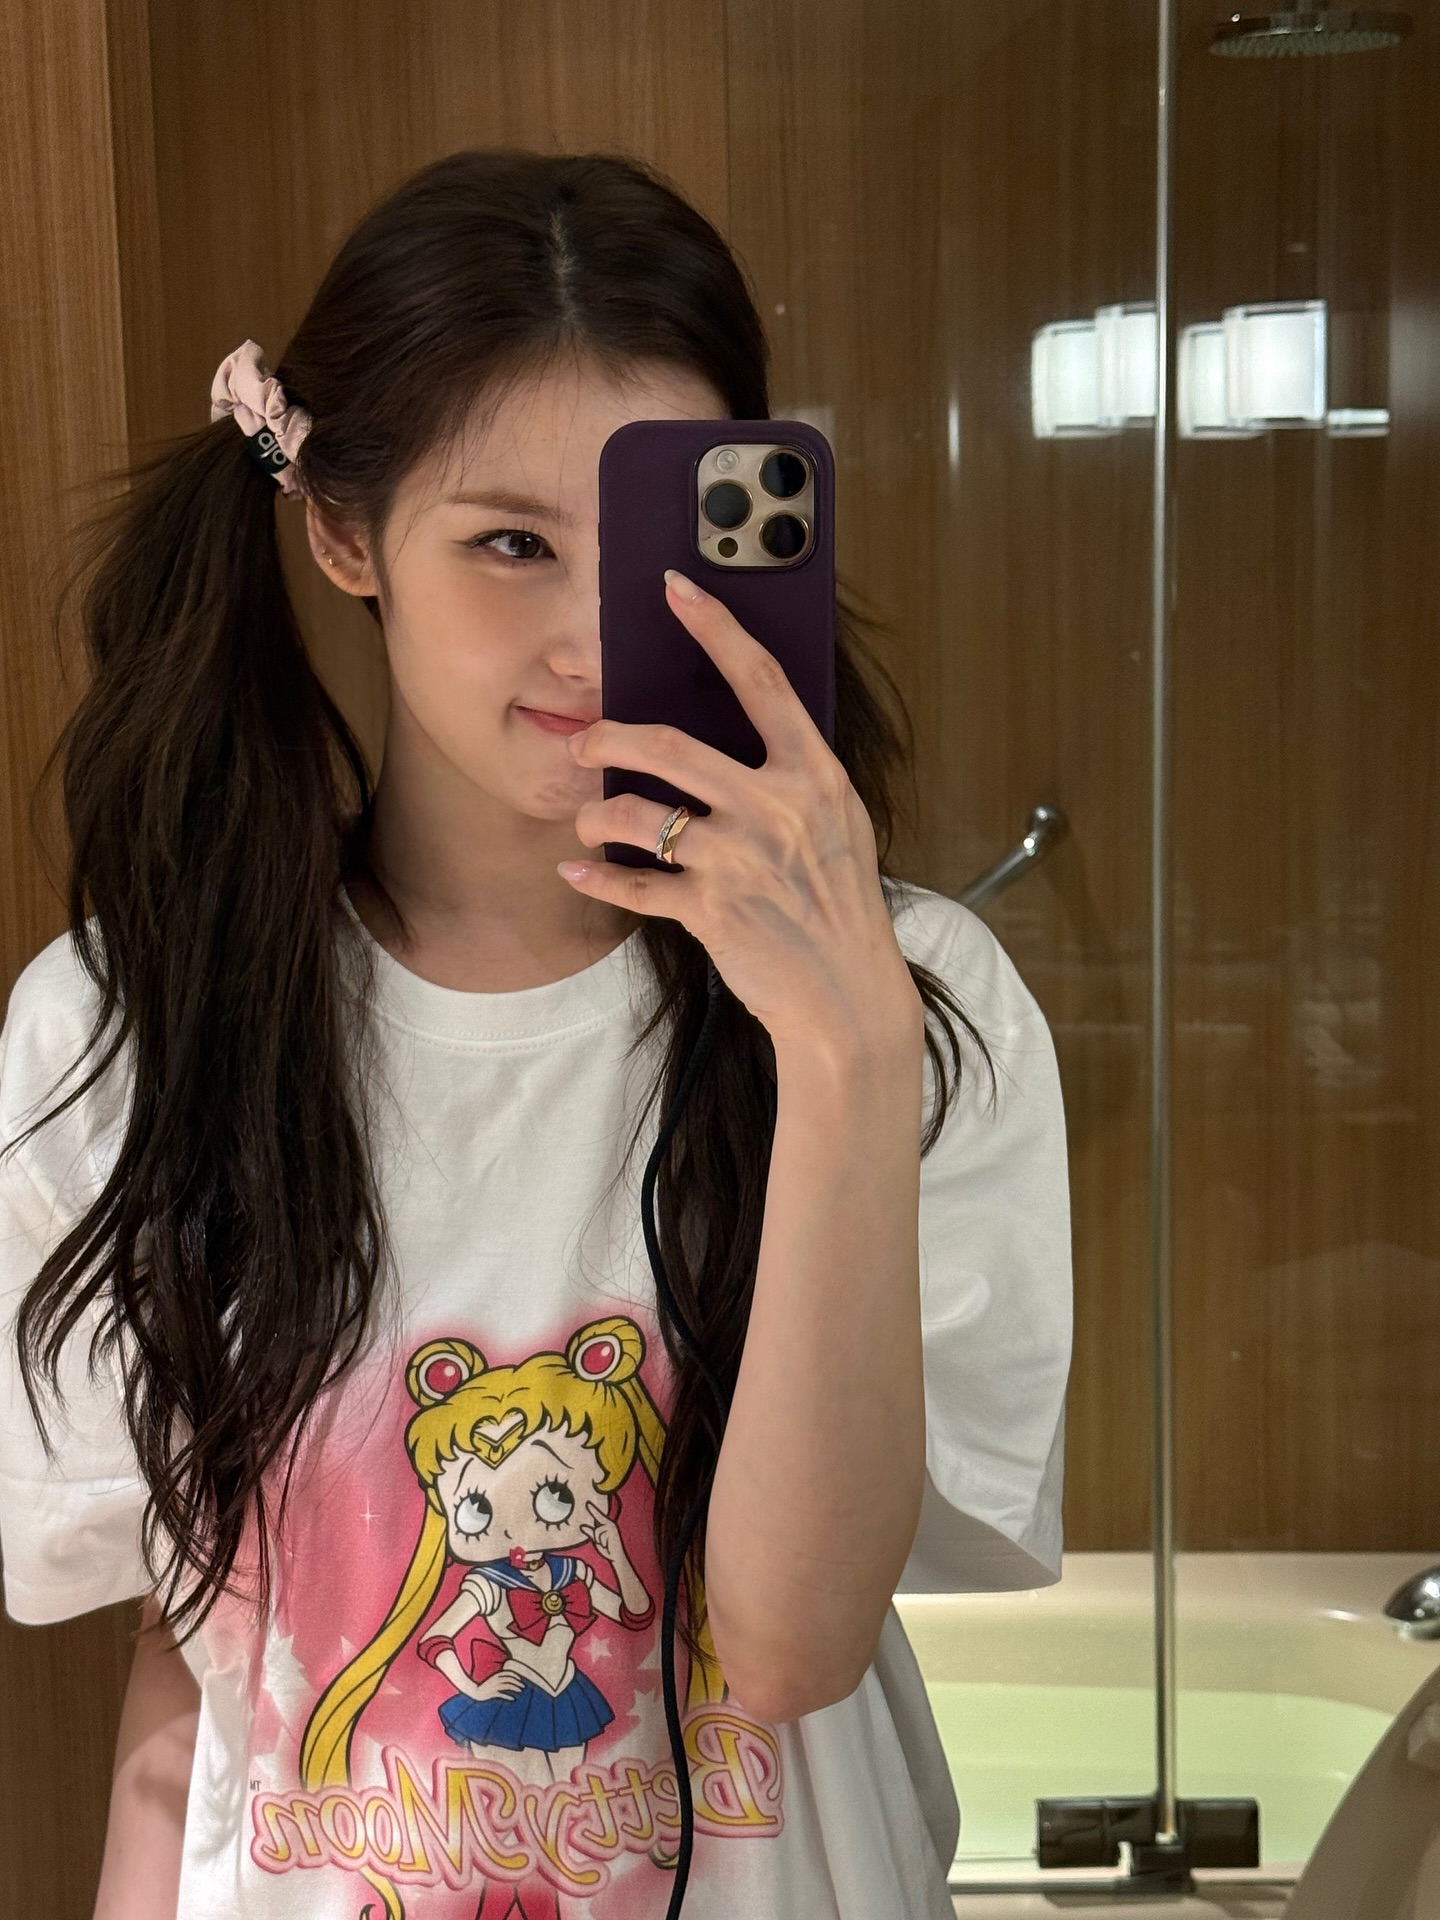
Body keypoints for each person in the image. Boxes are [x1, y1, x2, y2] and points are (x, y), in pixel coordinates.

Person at [0, 150, 1072, 1920]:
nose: (594, 636)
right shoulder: (122, 1030)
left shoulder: (914, 1007)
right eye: (510, 543)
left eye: (654, 541)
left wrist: (844, 1058)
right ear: (345, 533)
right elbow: (191, 1689)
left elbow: (790, 1647)